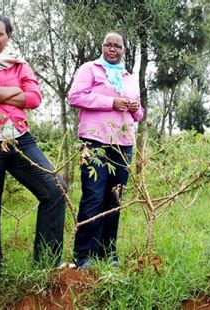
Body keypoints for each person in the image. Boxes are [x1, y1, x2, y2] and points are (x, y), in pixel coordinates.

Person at [0, 14, 66, 293]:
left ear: (9, 36)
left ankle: (46, 262)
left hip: (19, 138)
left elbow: (35, 98)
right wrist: (14, 91)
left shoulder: (20, 62)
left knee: (55, 189)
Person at [68, 30, 143, 269]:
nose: (112, 49)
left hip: (124, 144)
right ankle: (84, 254)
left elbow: (139, 114)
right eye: (108, 45)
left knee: (115, 197)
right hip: (95, 141)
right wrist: (110, 102)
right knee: (93, 195)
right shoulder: (89, 69)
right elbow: (75, 97)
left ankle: (108, 252)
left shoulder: (128, 76)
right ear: (102, 47)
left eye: (117, 46)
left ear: (124, 50)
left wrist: (134, 106)